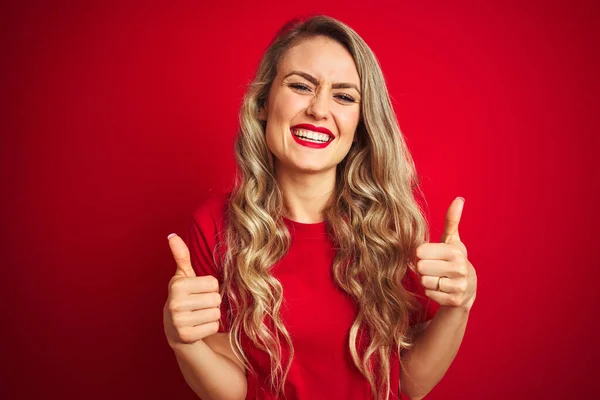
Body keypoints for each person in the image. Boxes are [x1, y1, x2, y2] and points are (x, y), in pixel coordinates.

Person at [163, 15, 477, 400]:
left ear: (361, 123)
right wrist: (185, 344)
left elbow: (409, 384)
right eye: (300, 86)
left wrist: (459, 306)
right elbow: (235, 393)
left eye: (344, 96)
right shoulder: (214, 225)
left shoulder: (392, 227)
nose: (318, 109)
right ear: (263, 102)